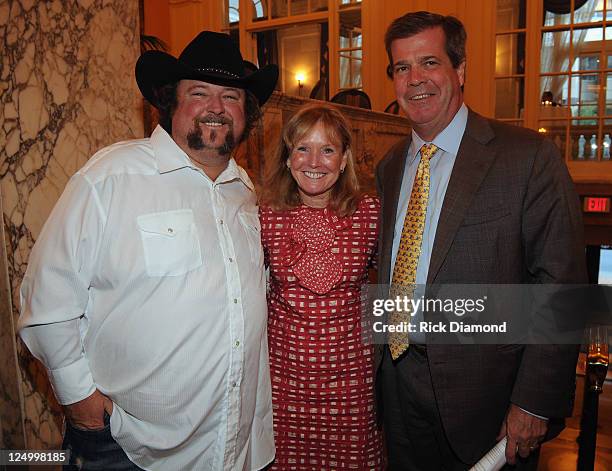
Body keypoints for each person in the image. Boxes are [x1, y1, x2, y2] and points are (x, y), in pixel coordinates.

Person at [18, 31, 278, 471]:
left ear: (245, 114)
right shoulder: (112, 176)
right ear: (170, 103)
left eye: (231, 96)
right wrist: (83, 406)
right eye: (199, 93)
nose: (216, 107)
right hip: (128, 448)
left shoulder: (245, 190)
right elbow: (46, 303)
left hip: (230, 446)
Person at [375, 11, 586, 470]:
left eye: (429, 63)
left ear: (461, 69)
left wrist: (534, 402)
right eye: (402, 68)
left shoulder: (527, 157)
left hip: (488, 401)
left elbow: (563, 287)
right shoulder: (389, 165)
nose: (415, 80)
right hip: (395, 388)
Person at [259, 103, 383, 470]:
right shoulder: (264, 215)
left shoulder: (371, 213)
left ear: (344, 160)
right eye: (302, 148)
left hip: (350, 381)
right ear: (287, 158)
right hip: (284, 381)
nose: (314, 160)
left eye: (327, 149)